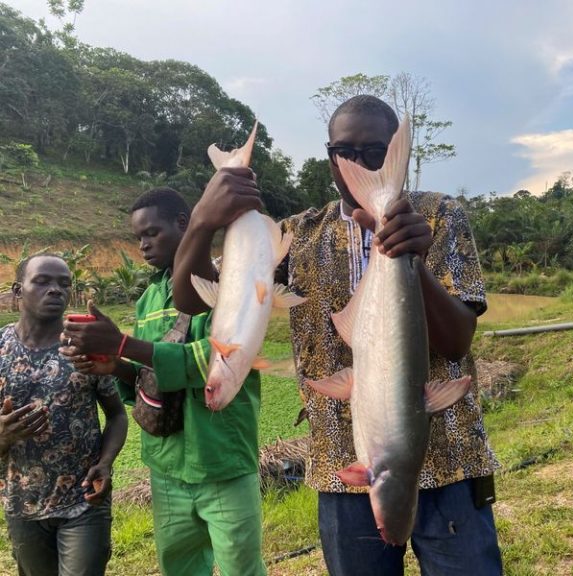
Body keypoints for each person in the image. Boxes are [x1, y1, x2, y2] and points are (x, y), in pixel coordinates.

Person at [173, 96, 503, 575]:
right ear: (329, 156)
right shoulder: (298, 234)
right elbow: (191, 299)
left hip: (451, 460)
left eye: (375, 152)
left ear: (394, 153)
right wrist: (203, 220)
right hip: (341, 470)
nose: (358, 163)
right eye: (344, 151)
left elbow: (457, 342)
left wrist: (414, 262)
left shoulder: (437, 216)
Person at [60, 188, 267, 576]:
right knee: (180, 566)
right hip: (166, 465)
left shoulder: (229, 285)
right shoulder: (149, 299)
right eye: (139, 237)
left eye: (152, 232)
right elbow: (149, 377)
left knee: (242, 568)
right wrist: (115, 365)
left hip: (222, 460)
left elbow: (213, 362)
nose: (143, 245)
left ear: (184, 223)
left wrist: (123, 344)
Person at [0, 253, 127, 576]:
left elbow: (116, 415)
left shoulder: (83, 348)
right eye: (42, 281)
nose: (56, 289)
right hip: (22, 503)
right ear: (18, 290)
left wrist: (106, 463)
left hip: (85, 499)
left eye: (64, 283)